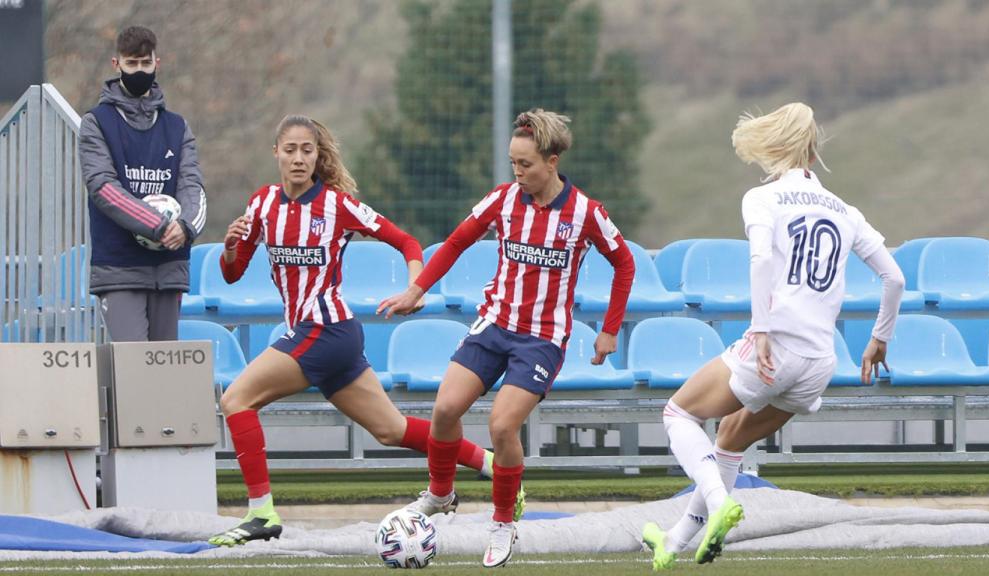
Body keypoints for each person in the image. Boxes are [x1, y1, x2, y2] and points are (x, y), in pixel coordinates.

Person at [207, 115, 498, 547]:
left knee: (235, 399)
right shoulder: (262, 204)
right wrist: (231, 247)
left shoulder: (337, 205)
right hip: (326, 337)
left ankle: (261, 513)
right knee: (391, 430)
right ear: (276, 154)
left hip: (326, 330)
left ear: (318, 155)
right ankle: (490, 463)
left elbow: (406, 241)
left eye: (308, 150)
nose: (299, 158)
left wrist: (415, 286)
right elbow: (232, 274)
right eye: (290, 150)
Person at [641, 102, 906, 570]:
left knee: (678, 412)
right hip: (820, 362)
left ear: (775, 145)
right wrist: (879, 338)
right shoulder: (846, 210)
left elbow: (762, 260)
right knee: (728, 440)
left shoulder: (762, 198)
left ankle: (721, 502)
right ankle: (677, 540)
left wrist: (760, 330)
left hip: (776, 345)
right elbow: (895, 279)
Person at [378, 108, 636, 568]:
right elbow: (456, 241)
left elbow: (625, 263)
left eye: (526, 165)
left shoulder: (586, 213)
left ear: (552, 161)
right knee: (444, 409)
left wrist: (610, 331)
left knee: (501, 426)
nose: (517, 173)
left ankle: (502, 523)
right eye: (512, 163)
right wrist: (416, 289)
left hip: (541, 339)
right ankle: (440, 495)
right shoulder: (502, 200)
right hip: (494, 324)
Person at [79, 25, 207, 341]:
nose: (139, 70)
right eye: (131, 64)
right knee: (133, 367)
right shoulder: (96, 122)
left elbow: (193, 186)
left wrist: (186, 227)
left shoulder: (177, 127)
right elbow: (102, 187)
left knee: (164, 371)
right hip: (119, 269)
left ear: (156, 64)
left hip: (169, 266)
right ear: (116, 64)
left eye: (145, 64)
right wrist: (158, 224)